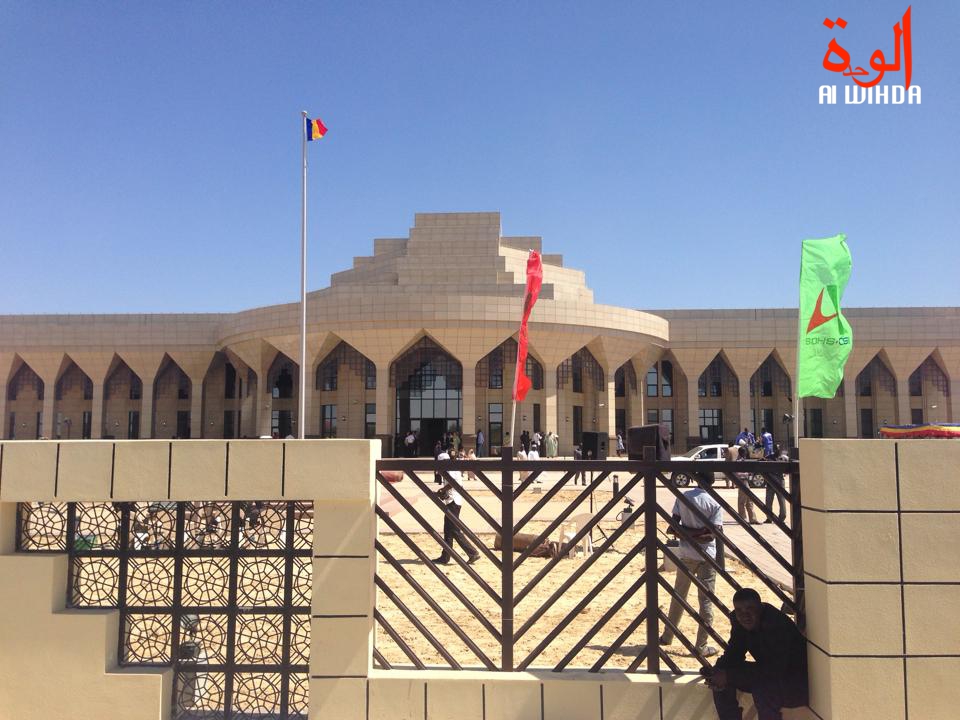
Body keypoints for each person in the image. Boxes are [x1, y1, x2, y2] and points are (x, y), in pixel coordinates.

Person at [701, 587, 808, 720]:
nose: (744, 615)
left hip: (796, 682)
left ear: (760, 608)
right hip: (769, 673)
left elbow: (776, 669)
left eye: (749, 609)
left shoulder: (776, 625)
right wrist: (716, 671)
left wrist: (729, 675)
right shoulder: (738, 620)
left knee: (763, 689)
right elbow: (734, 652)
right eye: (739, 610)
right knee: (721, 676)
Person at [660, 473, 723, 657]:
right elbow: (711, 535)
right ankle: (701, 645)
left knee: (678, 596)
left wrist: (685, 533)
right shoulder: (714, 502)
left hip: (686, 554)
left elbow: (672, 527)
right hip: (706, 556)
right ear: (713, 482)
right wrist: (698, 532)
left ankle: (667, 636)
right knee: (706, 601)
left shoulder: (684, 497)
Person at [432, 446, 480, 565]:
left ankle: (472, 552)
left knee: (454, 529)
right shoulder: (451, 467)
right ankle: (446, 555)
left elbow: (453, 483)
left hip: (454, 501)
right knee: (448, 529)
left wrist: (442, 490)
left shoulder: (449, 469)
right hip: (452, 500)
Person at [730, 444, 758, 524]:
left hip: (746, 481)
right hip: (741, 482)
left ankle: (752, 518)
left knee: (750, 501)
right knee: (742, 501)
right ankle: (743, 518)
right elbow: (736, 473)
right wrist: (747, 474)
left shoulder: (744, 460)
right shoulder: (738, 461)